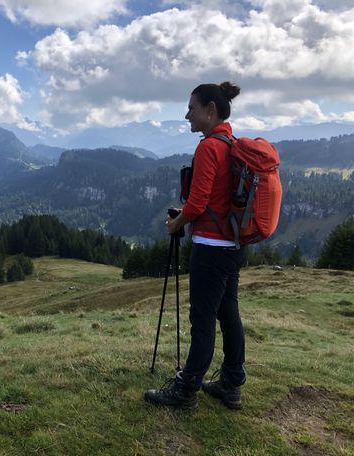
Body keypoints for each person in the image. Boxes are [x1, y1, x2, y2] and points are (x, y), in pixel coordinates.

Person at [144, 81, 247, 410]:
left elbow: (200, 202)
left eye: (192, 108)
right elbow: (212, 199)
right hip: (232, 244)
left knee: (202, 319)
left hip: (211, 246)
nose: (187, 114)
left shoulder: (209, 147)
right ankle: (231, 383)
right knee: (227, 312)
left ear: (210, 110)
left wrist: (177, 222)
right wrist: (188, 213)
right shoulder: (230, 143)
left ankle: (185, 390)